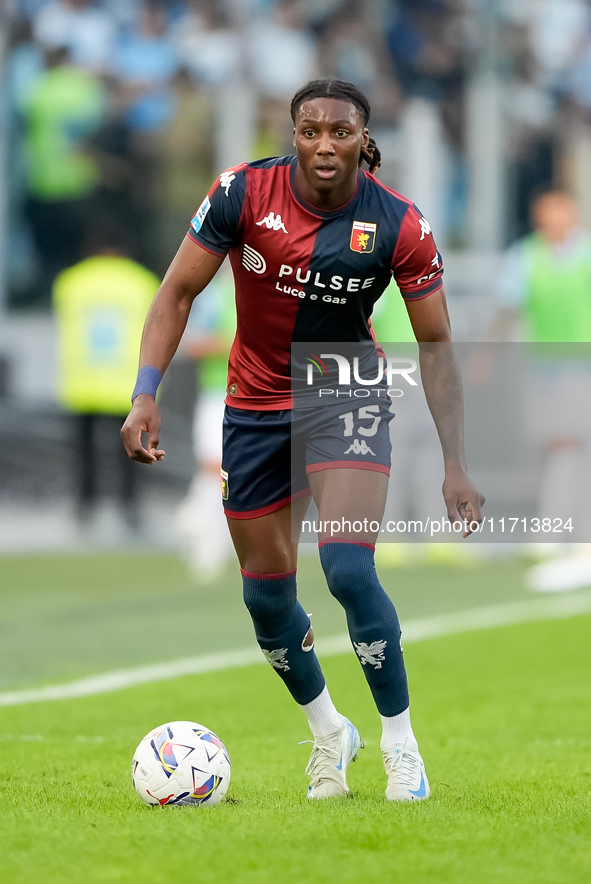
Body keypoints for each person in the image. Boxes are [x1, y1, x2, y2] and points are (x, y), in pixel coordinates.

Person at [121, 78, 484, 801]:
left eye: (339, 132)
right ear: (292, 134)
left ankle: (400, 746)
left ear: (361, 140)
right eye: (310, 130)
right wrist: (145, 393)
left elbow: (436, 343)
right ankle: (328, 733)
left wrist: (454, 464)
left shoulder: (397, 225)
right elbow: (176, 293)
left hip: (342, 390)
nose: (324, 143)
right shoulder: (240, 194)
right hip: (253, 405)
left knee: (348, 570)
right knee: (265, 601)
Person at [492, 189, 591, 591]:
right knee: (562, 447)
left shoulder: (586, 254)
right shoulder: (525, 255)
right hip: (542, 366)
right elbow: (507, 307)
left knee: (569, 444)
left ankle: (556, 532)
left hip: (580, 364)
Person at [54, 226, 160, 529]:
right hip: (127, 384)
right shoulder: (142, 282)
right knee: (132, 450)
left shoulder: (70, 281)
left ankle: (84, 506)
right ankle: (130, 507)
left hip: (83, 381)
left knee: (84, 450)